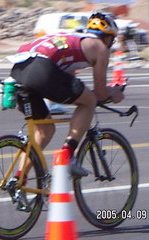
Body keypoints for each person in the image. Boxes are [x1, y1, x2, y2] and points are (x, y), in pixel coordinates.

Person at [9, 12, 124, 179]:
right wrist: (113, 92)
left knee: (44, 131)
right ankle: (67, 155)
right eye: (112, 40)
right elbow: (99, 94)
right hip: (41, 69)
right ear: (107, 38)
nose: (110, 44)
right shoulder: (100, 48)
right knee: (89, 102)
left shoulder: (72, 38)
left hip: (19, 69)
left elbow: (67, 80)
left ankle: (18, 180)